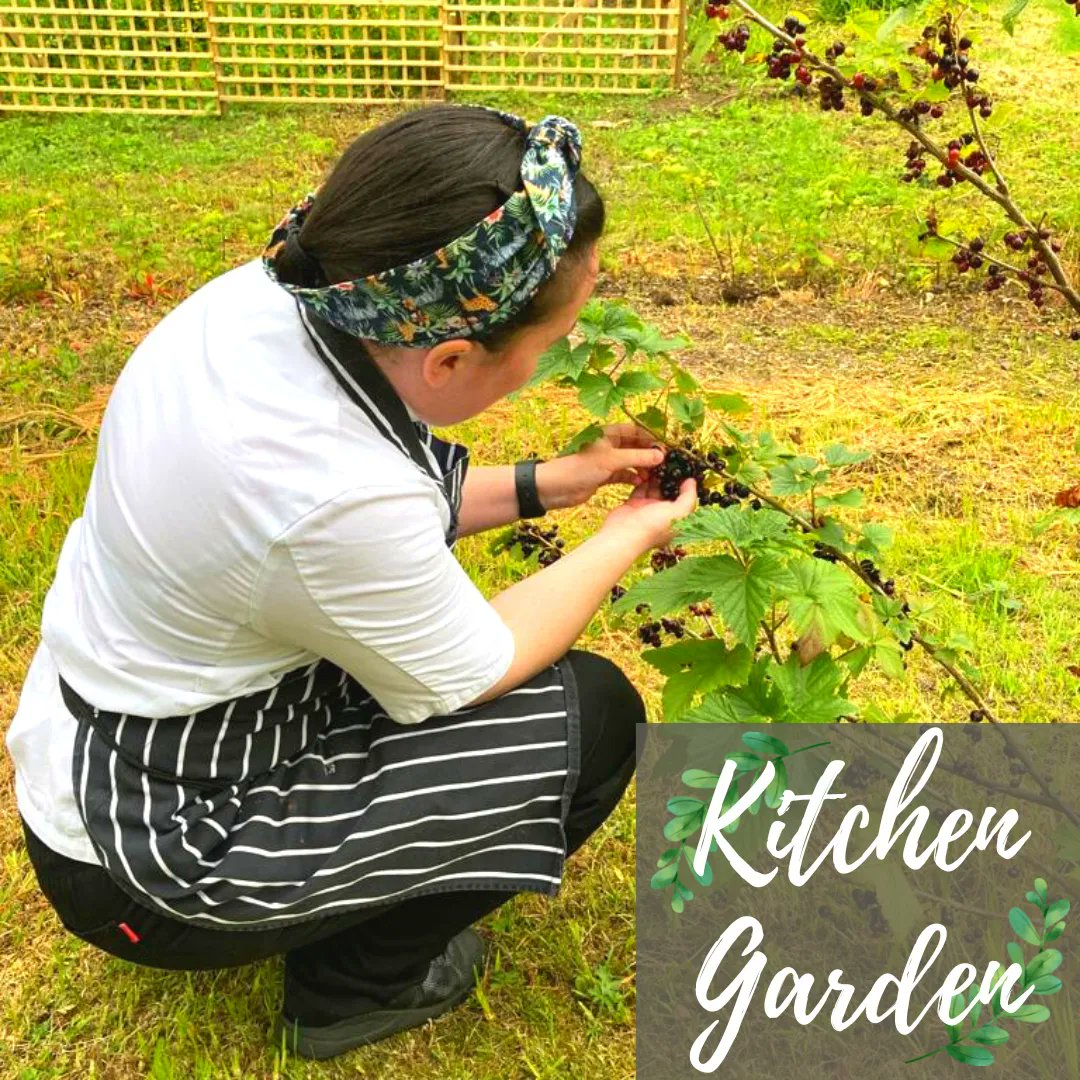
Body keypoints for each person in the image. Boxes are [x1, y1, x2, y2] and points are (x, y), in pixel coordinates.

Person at [5, 102, 698, 1061]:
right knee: (591, 715)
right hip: (148, 851)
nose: (547, 367)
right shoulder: (324, 494)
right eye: (548, 346)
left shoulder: (276, 299)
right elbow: (474, 665)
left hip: (118, 727)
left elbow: (385, 493)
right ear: (450, 356)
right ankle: (353, 990)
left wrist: (555, 481)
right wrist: (632, 530)